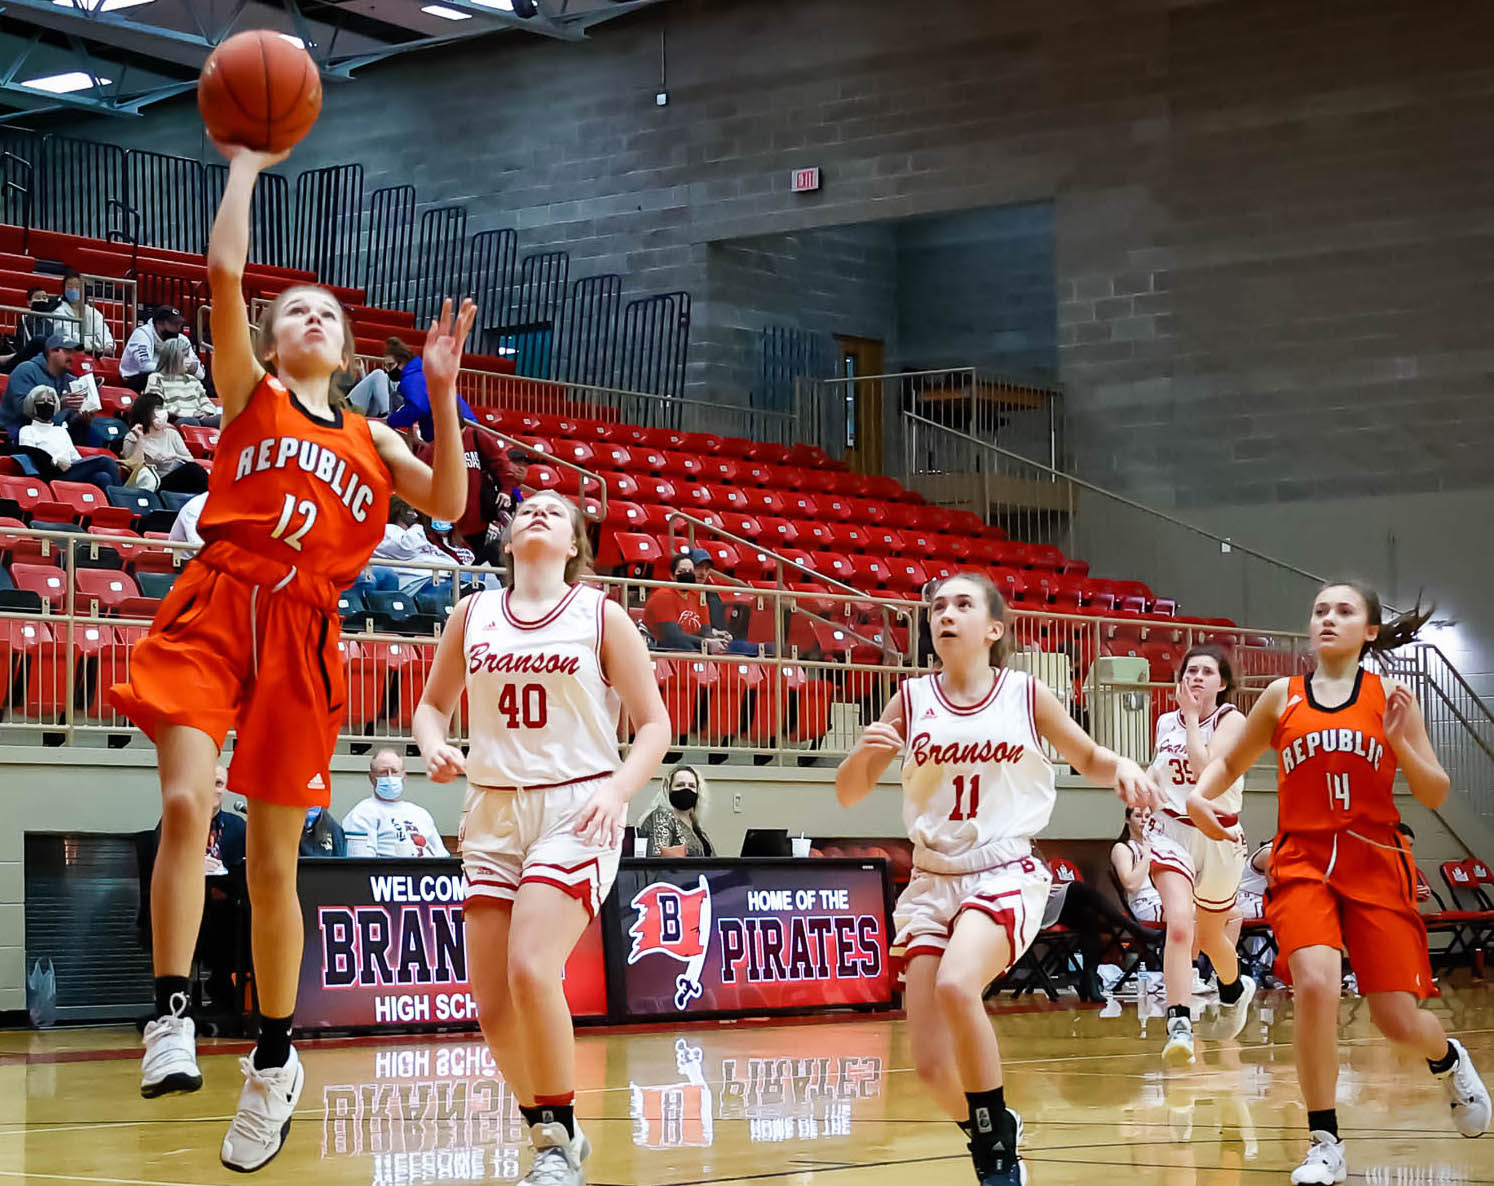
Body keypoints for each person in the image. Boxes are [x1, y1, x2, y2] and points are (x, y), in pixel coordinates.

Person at [108, 137, 472, 1174]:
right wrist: (243, 166)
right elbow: (224, 271)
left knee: (275, 865)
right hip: (219, 605)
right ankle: (170, 1010)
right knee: (185, 804)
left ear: (350, 349)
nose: (309, 316)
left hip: (304, 639)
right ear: (269, 340)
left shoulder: (375, 440)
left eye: (328, 311)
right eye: (293, 310)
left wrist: (440, 393)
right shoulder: (250, 394)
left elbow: (449, 504)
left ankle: (273, 1059)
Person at [834, 571, 1153, 1186]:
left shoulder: (1025, 694)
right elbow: (849, 795)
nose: (945, 614)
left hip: (1003, 870)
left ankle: (997, 1162)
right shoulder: (910, 699)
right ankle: (996, 1124)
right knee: (929, 1068)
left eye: (961, 605)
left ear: (994, 628)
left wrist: (1122, 767)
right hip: (932, 881)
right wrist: (864, 753)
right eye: (937, 606)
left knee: (958, 984)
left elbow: (1087, 755)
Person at [1188, 581, 1490, 1182]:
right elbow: (1229, 762)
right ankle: (1324, 1140)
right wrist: (1201, 796)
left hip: (1375, 862)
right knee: (1316, 983)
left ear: (1370, 631)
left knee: (1395, 1021)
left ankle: (1448, 1057)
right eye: (1320, 610)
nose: (1328, 618)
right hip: (1302, 862)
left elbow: (1434, 792)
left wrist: (1403, 742)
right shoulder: (1281, 696)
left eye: (1344, 611)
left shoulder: (1391, 698)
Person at [413, 488, 672, 1186]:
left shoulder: (600, 615)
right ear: (506, 539)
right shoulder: (472, 615)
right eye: (528, 509)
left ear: (575, 544)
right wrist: (434, 745)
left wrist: (619, 794)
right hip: (492, 808)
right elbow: (432, 707)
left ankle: (556, 1148)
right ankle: (551, 1134)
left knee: (532, 967)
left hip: (578, 805)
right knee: (493, 1003)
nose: (537, 514)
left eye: (556, 513)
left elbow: (654, 727)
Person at [1141, 644, 1255, 1064]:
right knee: (1179, 924)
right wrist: (1145, 785)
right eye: (1190, 670)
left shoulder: (1232, 720)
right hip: (1171, 831)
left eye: (1207, 672)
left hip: (1218, 833)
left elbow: (1207, 772)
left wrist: (1190, 719)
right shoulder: (1163, 722)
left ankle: (1235, 986)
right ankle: (1179, 1023)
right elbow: (1163, 770)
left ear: (1222, 683)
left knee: (1210, 937)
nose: (1196, 678)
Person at [145, 766, 245, 1017]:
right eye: (209, 781)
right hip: (182, 911)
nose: (213, 789)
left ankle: (228, 997)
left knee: (241, 923)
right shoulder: (176, 819)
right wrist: (192, 866)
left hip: (226, 912)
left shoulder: (237, 827)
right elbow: (159, 866)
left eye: (219, 784)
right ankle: (176, 1002)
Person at [342, 750, 449, 858]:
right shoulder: (362, 814)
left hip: (431, 872)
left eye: (394, 771)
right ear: (371, 778)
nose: (390, 777)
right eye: (383, 772)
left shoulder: (421, 813)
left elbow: (442, 856)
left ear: (404, 775)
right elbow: (360, 865)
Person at [16, 386, 121, 489]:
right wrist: (55, 462)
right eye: (42, 401)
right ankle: (123, 500)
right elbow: (29, 455)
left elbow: (75, 458)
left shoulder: (61, 431)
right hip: (51, 474)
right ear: (33, 405)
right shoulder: (27, 430)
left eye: (50, 401)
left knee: (103, 478)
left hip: (70, 471)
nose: (47, 403)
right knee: (106, 461)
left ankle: (114, 504)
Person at [386, 334, 477, 442]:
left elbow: (418, 408)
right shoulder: (424, 373)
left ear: (402, 362)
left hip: (453, 431)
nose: (387, 370)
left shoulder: (412, 378)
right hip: (463, 427)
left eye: (390, 366)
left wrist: (391, 421)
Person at [644, 552, 735, 654]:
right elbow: (672, 637)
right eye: (682, 571)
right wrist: (705, 643)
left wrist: (717, 640)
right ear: (672, 576)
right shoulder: (663, 595)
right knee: (686, 646)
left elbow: (706, 632)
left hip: (692, 648)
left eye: (690, 571)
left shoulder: (699, 596)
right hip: (667, 650)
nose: (687, 574)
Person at [122, 392, 210, 493]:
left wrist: (172, 458)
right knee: (194, 471)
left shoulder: (172, 434)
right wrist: (140, 439)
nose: (163, 412)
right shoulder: (132, 437)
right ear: (146, 412)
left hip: (177, 476)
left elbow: (189, 459)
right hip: (155, 482)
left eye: (162, 408)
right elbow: (133, 467)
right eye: (158, 409)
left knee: (195, 471)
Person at [1, 335, 82, 440]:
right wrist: (60, 404)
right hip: (18, 432)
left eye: (74, 352)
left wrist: (82, 418)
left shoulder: (71, 380)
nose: (73, 357)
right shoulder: (26, 370)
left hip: (52, 435)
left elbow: (69, 419)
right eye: (68, 352)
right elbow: (23, 412)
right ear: (52, 352)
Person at [120, 305, 205, 393]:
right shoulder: (142, 334)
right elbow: (145, 366)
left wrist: (191, 367)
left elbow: (200, 374)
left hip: (170, 377)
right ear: (159, 323)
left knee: (198, 384)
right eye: (174, 323)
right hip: (137, 379)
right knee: (154, 378)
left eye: (179, 323)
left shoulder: (182, 339)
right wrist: (177, 368)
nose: (178, 327)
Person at [637, 764, 715, 856]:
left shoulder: (696, 826)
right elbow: (658, 859)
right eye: (679, 785)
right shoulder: (661, 817)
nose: (686, 788)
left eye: (692, 786)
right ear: (668, 789)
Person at [146, 338, 219, 427]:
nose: (190, 360)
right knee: (190, 422)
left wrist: (206, 412)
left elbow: (205, 401)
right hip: (175, 420)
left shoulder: (193, 379)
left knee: (221, 420)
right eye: (186, 356)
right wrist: (189, 413)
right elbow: (157, 405)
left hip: (199, 417)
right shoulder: (156, 378)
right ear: (174, 357)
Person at [1111, 807, 1165, 923]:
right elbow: (1130, 885)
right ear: (1127, 819)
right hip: (1144, 905)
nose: (1144, 820)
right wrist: (1147, 855)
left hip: (1165, 901)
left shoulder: (1159, 846)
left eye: (1147, 816)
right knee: (1185, 915)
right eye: (1138, 816)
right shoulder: (1123, 848)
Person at [53, 270, 115, 357]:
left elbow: (104, 335)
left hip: (96, 355)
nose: (73, 290)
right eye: (69, 287)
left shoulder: (93, 313)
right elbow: (69, 339)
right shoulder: (59, 311)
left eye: (77, 287)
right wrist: (95, 344)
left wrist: (108, 345)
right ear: (64, 289)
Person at [345, 340, 408, 417]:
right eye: (386, 365)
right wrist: (362, 372)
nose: (387, 369)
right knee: (379, 374)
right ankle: (386, 415)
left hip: (373, 412)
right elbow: (370, 392)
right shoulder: (384, 377)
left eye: (391, 365)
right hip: (355, 407)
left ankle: (386, 415)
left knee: (381, 375)